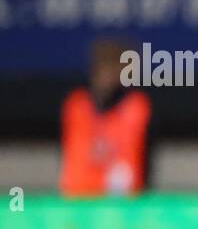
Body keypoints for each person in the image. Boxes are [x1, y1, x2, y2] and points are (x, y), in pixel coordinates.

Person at [59, 38, 152, 197]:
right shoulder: (76, 105)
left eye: (115, 68)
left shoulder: (136, 107)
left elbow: (133, 171)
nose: (107, 75)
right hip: (78, 202)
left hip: (120, 206)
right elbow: (74, 171)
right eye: (103, 66)